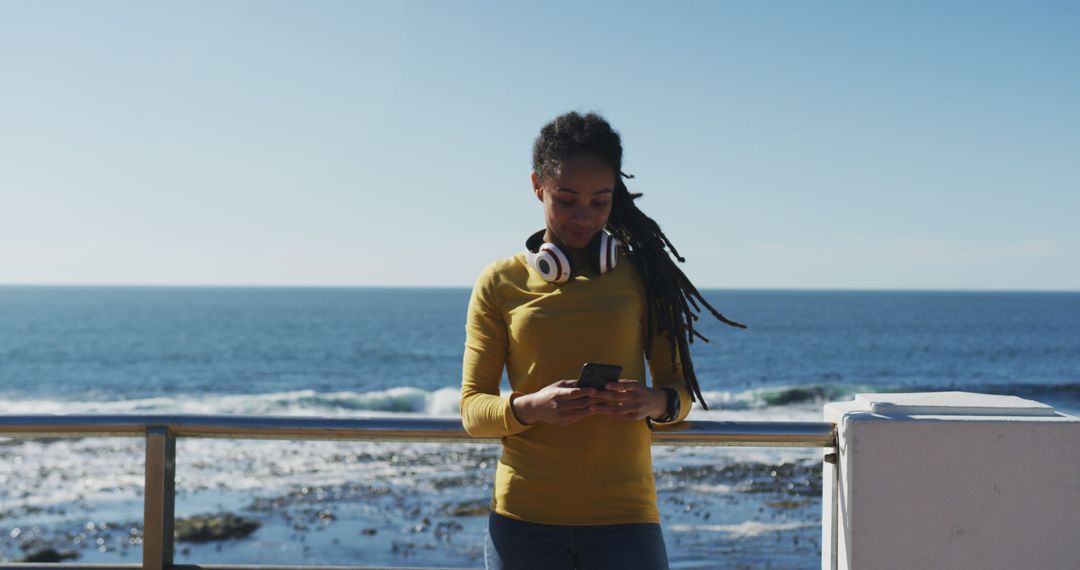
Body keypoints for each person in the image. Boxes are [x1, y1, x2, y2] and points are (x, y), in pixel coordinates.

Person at [460, 111, 744, 570]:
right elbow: (473, 409)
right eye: (566, 200)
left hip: (627, 522)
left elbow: (680, 392)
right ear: (538, 186)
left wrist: (654, 403)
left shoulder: (643, 276)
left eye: (599, 201)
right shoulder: (499, 282)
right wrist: (531, 407)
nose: (583, 217)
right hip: (523, 523)